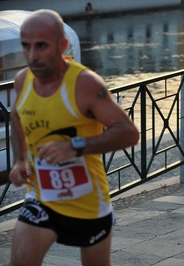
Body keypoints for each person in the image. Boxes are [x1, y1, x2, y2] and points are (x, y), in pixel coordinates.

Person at [9, 9, 139, 266]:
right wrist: (19, 160)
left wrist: (74, 146)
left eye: (42, 46)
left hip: (87, 202)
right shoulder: (23, 80)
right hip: (41, 195)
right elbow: (15, 117)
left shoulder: (85, 84)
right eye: (26, 46)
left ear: (62, 45)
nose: (32, 56)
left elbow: (129, 133)